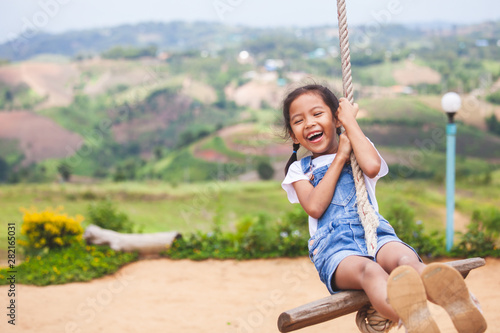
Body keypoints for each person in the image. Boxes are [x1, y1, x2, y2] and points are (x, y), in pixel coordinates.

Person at [280, 84, 486, 333]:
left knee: (404, 261)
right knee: (371, 272)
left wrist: (350, 124)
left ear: (335, 118)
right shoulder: (299, 170)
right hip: (336, 249)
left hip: (375, 232)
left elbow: (372, 167)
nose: (309, 123)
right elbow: (315, 206)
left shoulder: (357, 144)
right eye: (298, 120)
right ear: (293, 134)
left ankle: (451, 297)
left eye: (317, 114)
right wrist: (340, 157)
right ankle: (413, 316)